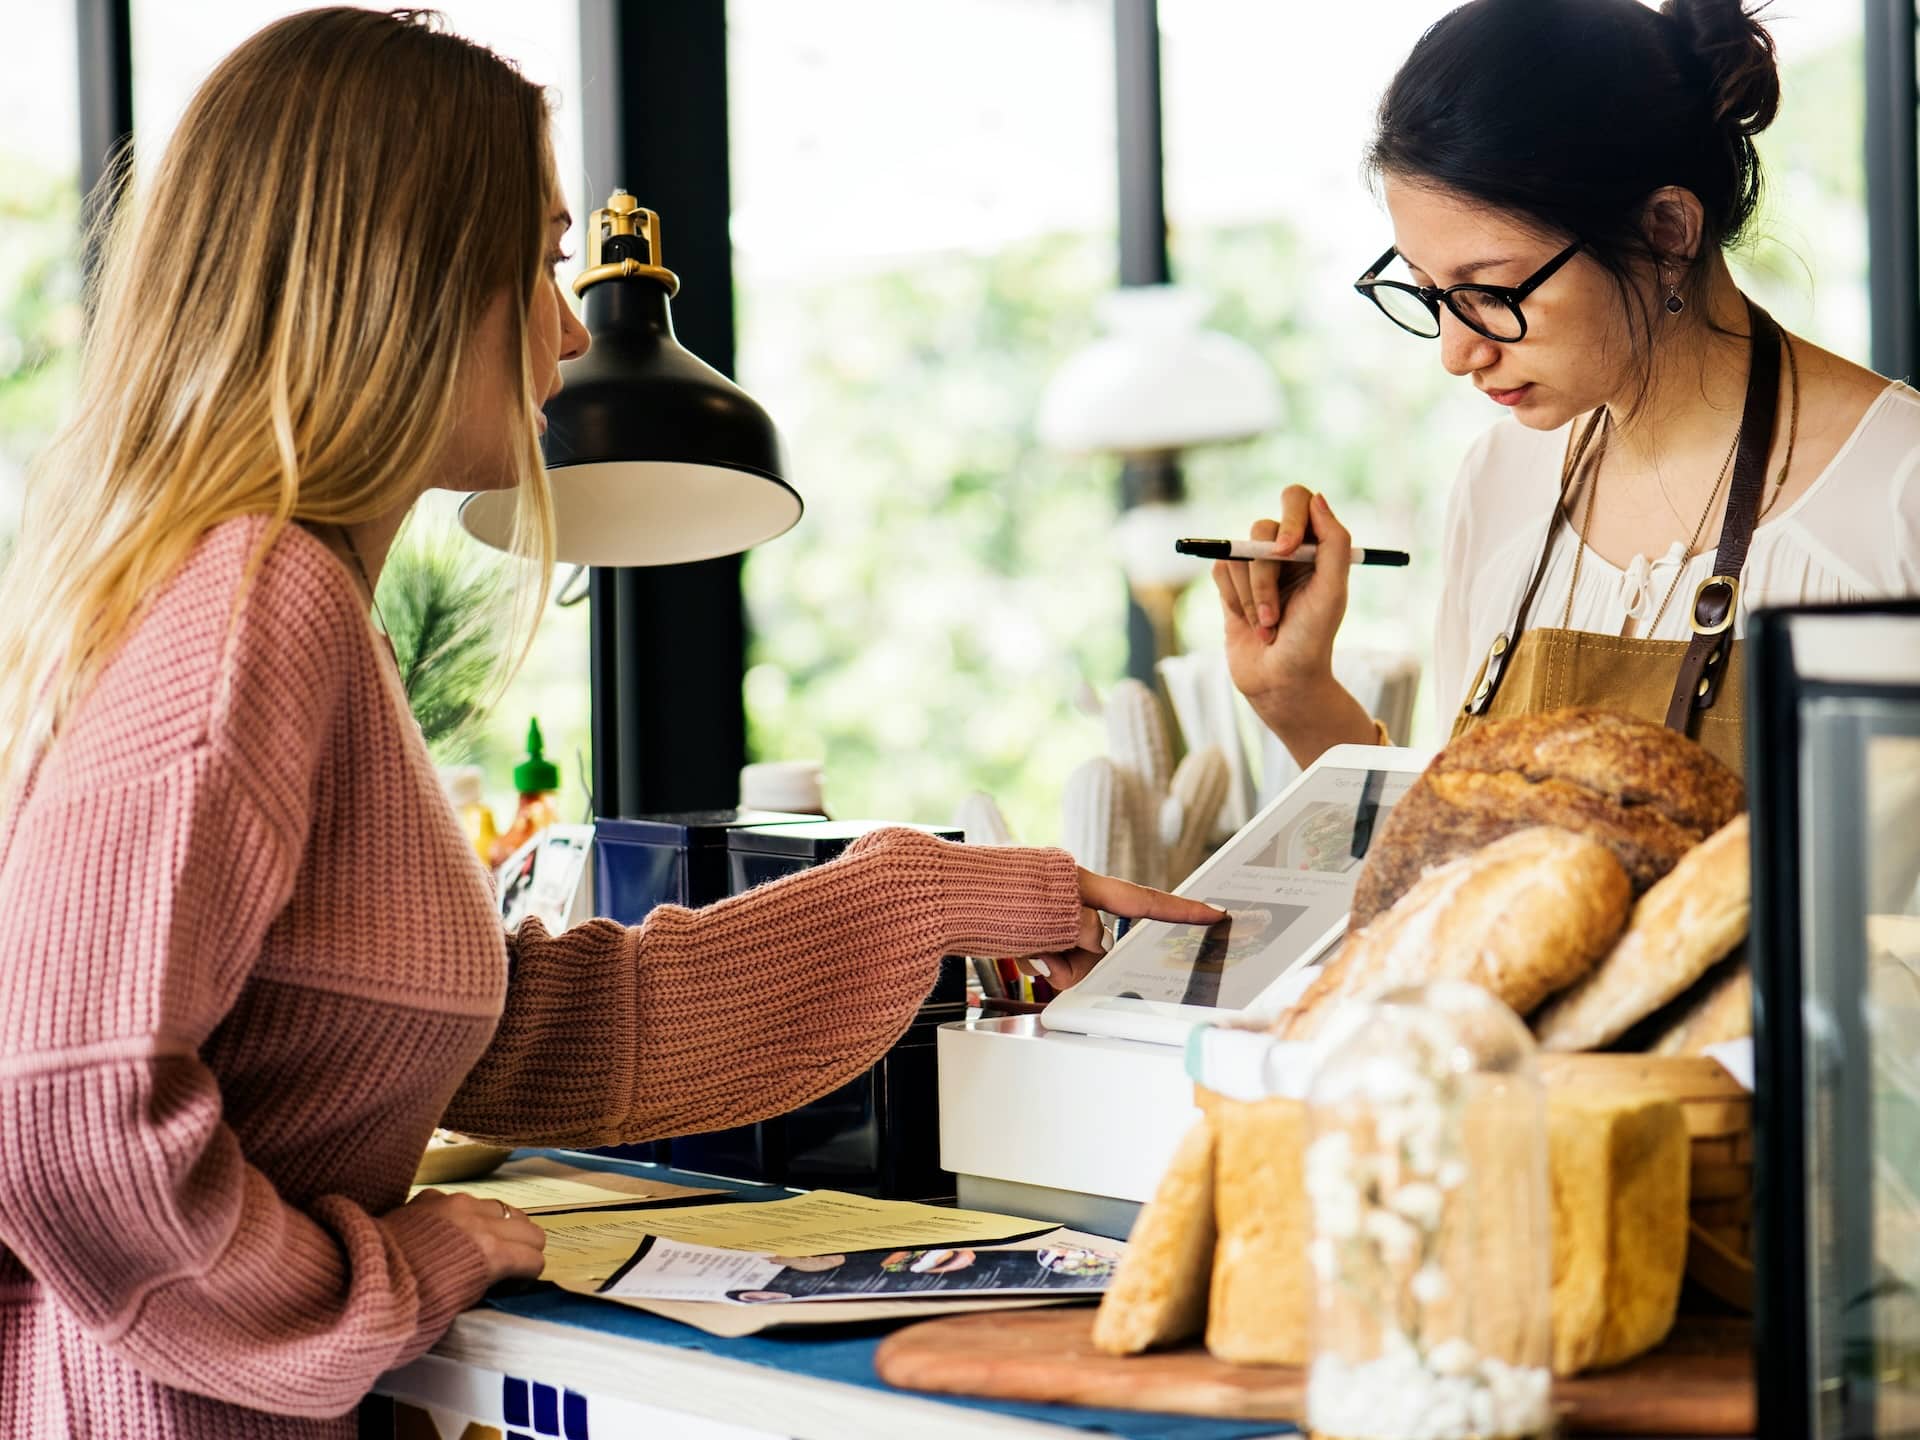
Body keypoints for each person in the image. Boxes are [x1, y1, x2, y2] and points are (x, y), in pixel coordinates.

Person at [0, 12, 1220, 1438]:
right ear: (400, 278)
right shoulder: (251, 606)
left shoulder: (272, 590)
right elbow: (66, 1114)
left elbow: (496, 1036)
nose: (572, 329)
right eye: (536, 259)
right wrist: (383, 1278)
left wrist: (923, 895)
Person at [1216, 0, 1920, 773]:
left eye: (1493, 291)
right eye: (1428, 292)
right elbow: (1457, 868)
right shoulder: (1500, 481)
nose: (1456, 354)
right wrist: (1299, 698)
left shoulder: (1898, 490)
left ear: (1666, 233)